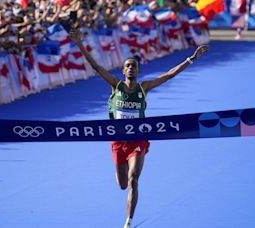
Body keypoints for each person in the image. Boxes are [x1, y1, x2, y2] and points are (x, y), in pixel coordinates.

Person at [70, 29, 208, 228]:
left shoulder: (144, 88)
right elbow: (96, 66)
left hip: (138, 140)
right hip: (118, 141)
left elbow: (169, 75)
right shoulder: (115, 85)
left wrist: (192, 58)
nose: (131, 68)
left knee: (134, 179)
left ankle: (128, 221)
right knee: (123, 184)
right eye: (127, 66)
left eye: (134, 66)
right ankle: (123, 182)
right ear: (123, 71)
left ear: (138, 71)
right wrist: (79, 43)